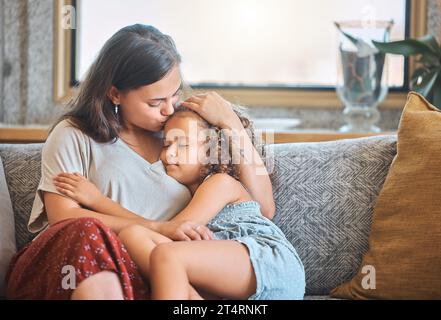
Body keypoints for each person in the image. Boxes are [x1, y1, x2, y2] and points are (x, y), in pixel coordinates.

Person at [5, 24, 275, 300]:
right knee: (87, 231)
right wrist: (158, 228)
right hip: (77, 261)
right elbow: (64, 218)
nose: (169, 108)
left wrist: (232, 123)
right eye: (156, 101)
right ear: (115, 94)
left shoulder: (185, 133)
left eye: (175, 94)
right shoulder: (74, 135)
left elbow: (262, 207)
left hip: (154, 270)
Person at [50, 106, 305, 300]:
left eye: (182, 145)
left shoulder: (220, 183)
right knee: (133, 235)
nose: (168, 154)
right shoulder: (191, 195)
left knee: (166, 253)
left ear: (212, 149)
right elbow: (154, 229)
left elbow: (172, 231)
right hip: (234, 272)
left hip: (269, 261)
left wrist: (98, 201)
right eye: (166, 144)